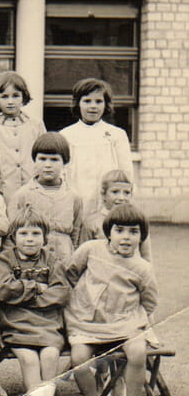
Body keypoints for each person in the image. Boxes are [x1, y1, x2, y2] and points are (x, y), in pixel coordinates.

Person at [64, 204, 158, 396]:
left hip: (124, 322)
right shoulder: (91, 249)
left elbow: (149, 302)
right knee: (79, 358)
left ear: (141, 236)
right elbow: (71, 274)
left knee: (137, 352)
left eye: (133, 232)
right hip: (88, 321)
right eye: (120, 230)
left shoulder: (142, 268)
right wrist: (84, 302)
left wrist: (133, 319)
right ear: (109, 232)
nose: (126, 237)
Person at [0, 209, 69, 396]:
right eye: (23, 233)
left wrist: (25, 296)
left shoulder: (52, 259)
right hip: (16, 322)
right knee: (28, 359)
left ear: (44, 237)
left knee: (50, 355)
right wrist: (36, 288)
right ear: (13, 237)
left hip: (47, 322)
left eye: (36, 233)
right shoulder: (3, 259)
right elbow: (4, 290)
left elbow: (61, 293)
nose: (29, 239)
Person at [61, 78, 133, 215]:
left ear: (106, 104)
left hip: (107, 204)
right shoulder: (67, 135)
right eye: (87, 101)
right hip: (77, 202)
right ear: (78, 103)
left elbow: (126, 173)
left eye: (98, 101)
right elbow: (62, 173)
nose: (93, 106)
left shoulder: (116, 134)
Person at [8, 132, 84, 261]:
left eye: (54, 160)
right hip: (32, 260)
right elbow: (12, 233)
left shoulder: (73, 196)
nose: (48, 165)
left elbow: (76, 233)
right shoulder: (23, 195)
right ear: (34, 160)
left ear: (65, 162)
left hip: (64, 258)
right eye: (42, 159)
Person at [0, 70, 46, 201]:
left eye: (15, 96)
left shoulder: (36, 124)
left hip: (33, 189)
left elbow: (45, 156)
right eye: (4, 97)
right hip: (3, 192)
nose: (10, 101)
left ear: (23, 96)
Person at [83, 170, 152, 260]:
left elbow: (146, 257)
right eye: (115, 192)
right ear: (103, 194)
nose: (121, 198)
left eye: (126, 193)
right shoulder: (92, 222)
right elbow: (83, 255)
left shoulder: (138, 221)